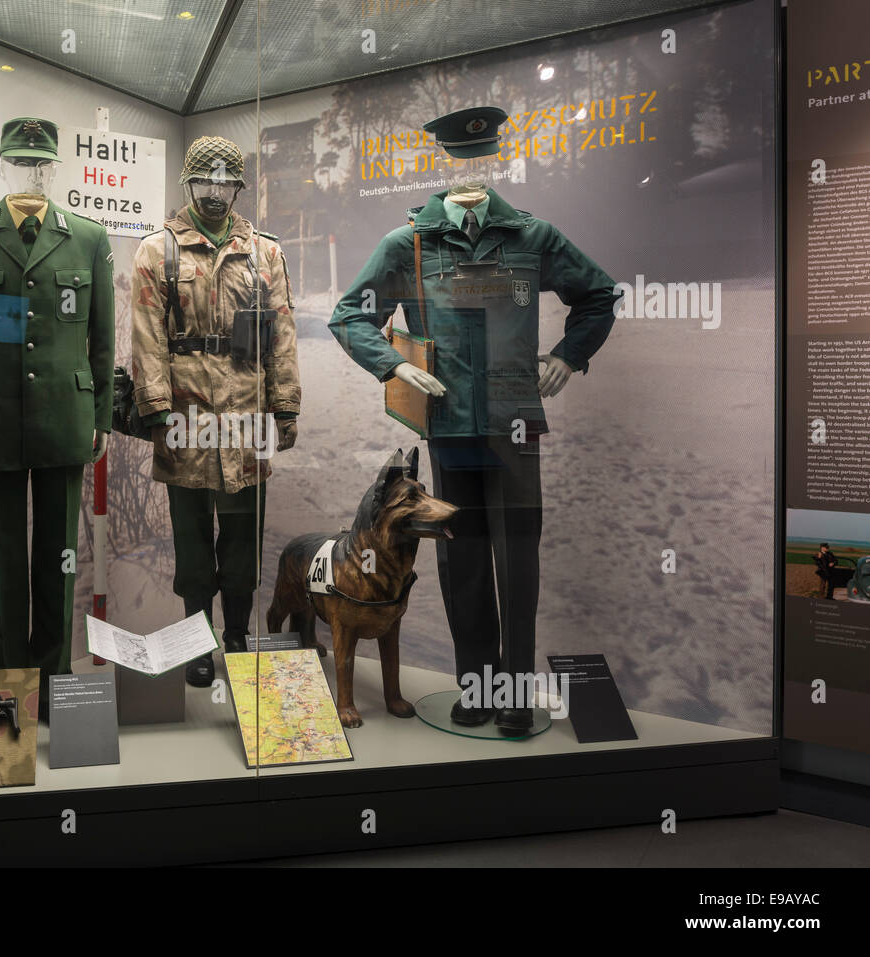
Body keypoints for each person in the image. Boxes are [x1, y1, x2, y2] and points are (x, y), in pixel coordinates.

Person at [328, 107, 618, 735]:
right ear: (444, 167)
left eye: (483, 159)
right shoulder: (408, 244)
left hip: (515, 424)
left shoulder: (531, 237)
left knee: (518, 561)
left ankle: (512, 694)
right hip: (450, 426)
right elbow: (350, 314)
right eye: (463, 161)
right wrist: (392, 367)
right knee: (462, 562)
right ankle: (477, 688)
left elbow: (598, 294)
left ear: (495, 163)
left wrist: (570, 356)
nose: (472, 173)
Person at [0, 117, 114, 719]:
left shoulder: (88, 237)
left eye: (41, 165)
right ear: (0, 167)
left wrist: (103, 415)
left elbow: (103, 340)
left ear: (56, 170)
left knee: (59, 558)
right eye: (20, 163)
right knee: (3, 558)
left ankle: (55, 687)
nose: (31, 174)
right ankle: (6, 690)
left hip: (65, 419)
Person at [130, 136, 301, 687]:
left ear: (237, 187)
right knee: (192, 536)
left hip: (246, 412)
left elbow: (282, 333)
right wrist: (155, 407)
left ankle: (235, 635)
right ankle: (197, 639)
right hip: (186, 412)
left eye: (226, 183)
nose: (215, 193)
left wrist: (286, 405)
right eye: (206, 181)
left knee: (243, 535)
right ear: (189, 183)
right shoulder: (158, 251)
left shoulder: (264, 251)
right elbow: (147, 335)